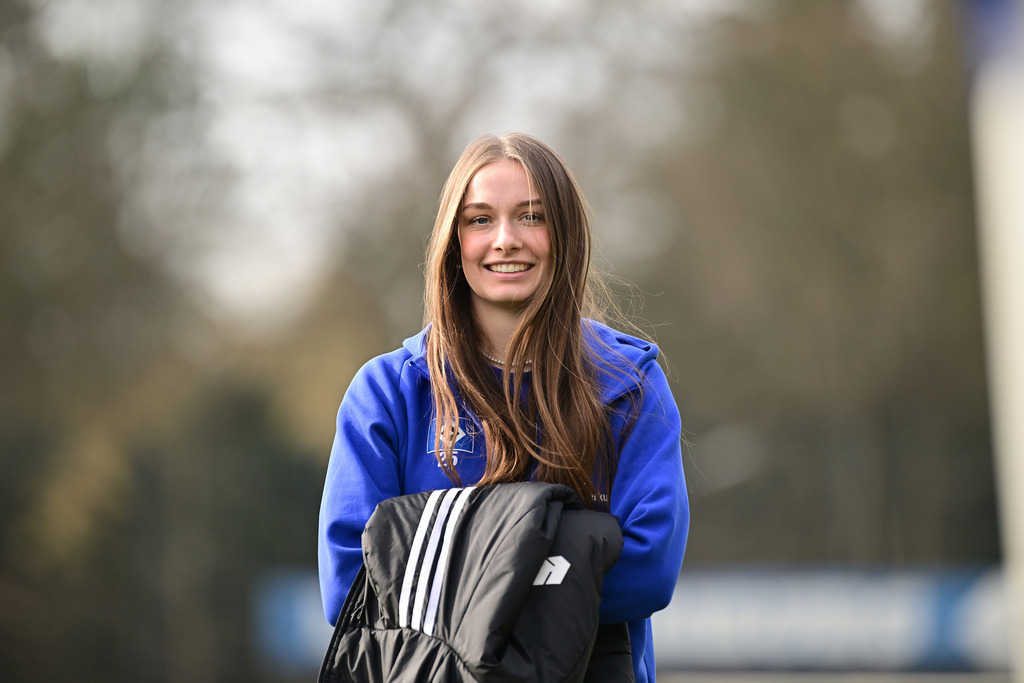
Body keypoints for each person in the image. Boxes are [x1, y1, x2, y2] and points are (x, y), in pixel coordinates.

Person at [318, 132, 688, 683]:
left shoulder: (628, 385)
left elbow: (649, 569)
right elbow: (351, 582)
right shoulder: (386, 394)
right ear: (453, 239)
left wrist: (447, 569)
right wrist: (570, 552)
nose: (507, 240)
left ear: (563, 234)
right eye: (480, 219)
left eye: (532, 216)